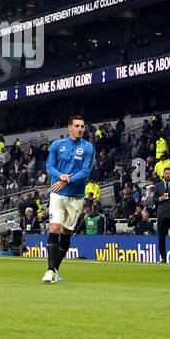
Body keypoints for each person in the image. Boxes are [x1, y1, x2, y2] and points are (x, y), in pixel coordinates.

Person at [42, 116, 95, 282]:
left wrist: (67, 180)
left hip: (76, 196)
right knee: (54, 228)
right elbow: (50, 167)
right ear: (69, 127)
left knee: (66, 233)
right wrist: (61, 176)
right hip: (57, 193)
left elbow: (86, 171)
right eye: (77, 126)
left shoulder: (88, 147)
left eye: (82, 126)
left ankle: (55, 268)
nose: (80, 129)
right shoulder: (58, 145)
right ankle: (50, 270)